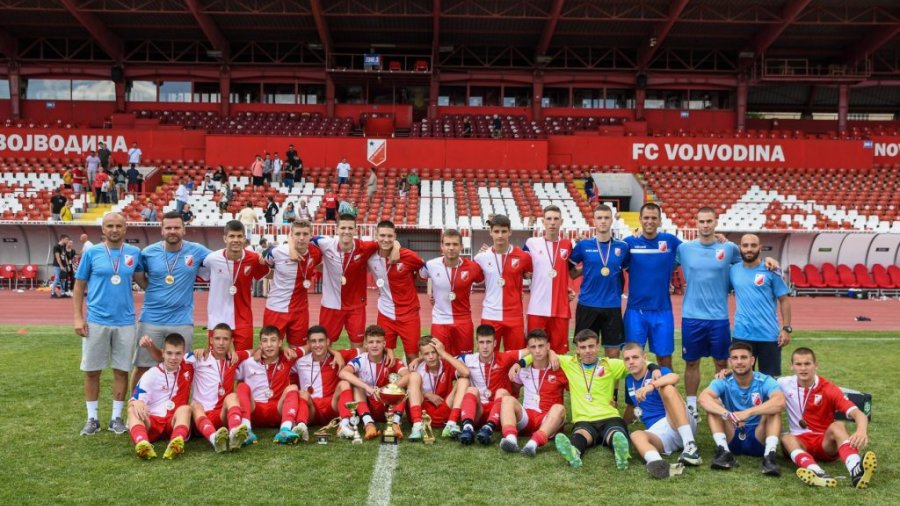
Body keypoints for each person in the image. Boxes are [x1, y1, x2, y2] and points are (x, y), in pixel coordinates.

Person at [73, 212, 143, 436]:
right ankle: (92, 418)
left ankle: (116, 418)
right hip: (96, 320)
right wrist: (77, 316)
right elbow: (79, 285)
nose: (114, 229)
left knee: (121, 370)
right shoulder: (92, 253)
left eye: (119, 226)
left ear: (125, 229)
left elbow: (144, 281)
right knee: (92, 371)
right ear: (103, 229)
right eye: (110, 226)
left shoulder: (134, 253)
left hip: (125, 321)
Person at [131, 211, 211, 387]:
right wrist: (152, 290)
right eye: (168, 228)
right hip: (151, 319)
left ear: (184, 230)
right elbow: (139, 276)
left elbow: (220, 260)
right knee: (144, 367)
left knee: (181, 366)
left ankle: (175, 406)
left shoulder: (197, 251)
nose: (172, 231)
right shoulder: (148, 253)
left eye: (176, 227)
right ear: (162, 230)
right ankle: (134, 406)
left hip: (182, 320)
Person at [779, 347, 877, 489]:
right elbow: (760, 381)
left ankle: (856, 469)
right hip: (799, 442)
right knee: (786, 437)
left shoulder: (829, 388)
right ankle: (816, 472)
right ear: (791, 366)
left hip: (824, 443)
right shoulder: (783, 383)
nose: (803, 368)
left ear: (816, 365)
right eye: (798, 364)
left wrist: (861, 431)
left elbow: (858, 413)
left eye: (807, 364)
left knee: (838, 425)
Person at [677, 207, 741, 421]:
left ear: (716, 222)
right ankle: (692, 406)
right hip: (691, 316)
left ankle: (720, 403)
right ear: (696, 223)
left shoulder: (729, 248)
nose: (705, 225)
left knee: (722, 363)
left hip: (719, 318)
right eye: (701, 221)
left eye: (709, 221)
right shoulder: (684, 249)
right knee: (692, 362)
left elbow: (746, 264)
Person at [699, 341, 784, 476]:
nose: (739, 362)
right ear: (730, 361)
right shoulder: (723, 380)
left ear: (752, 360)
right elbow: (703, 398)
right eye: (735, 358)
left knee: (774, 410)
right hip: (732, 432)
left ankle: (769, 457)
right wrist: (728, 414)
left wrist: (748, 412)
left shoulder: (765, 380)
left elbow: (780, 401)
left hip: (758, 434)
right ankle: (724, 452)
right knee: (713, 405)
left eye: (744, 357)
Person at [551, 329, 631, 470]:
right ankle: (574, 453)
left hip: (609, 416)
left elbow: (639, 363)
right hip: (584, 419)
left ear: (598, 346)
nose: (588, 351)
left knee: (615, 433)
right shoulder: (570, 364)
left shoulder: (610, 364)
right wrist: (521, 363)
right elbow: (539, 354)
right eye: (583, 347)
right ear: (577, 350)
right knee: (580, 435)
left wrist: (654, 368)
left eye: (591, 346)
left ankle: (620, 454)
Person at [312, 213, 396, 346]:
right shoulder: (325, 243)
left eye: (350, 228)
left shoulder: (365, 247)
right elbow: (302, 238)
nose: (346, 231)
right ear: (337, 229)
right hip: (331, 304)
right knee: (325, 345)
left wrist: (396, 247)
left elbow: (388, 241)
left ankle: (353, 367)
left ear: (355, 230)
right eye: (343, 228)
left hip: (356, 306)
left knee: (357, 346)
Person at [622, 343, 701, 478]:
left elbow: (674, 377)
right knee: (636, 435)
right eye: (627, 359)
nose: (631, 362)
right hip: (659, 432)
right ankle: (658, 464)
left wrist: (651, 386)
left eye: (635, 357)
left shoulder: (656, 372)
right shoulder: (629, 380)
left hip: (677, 420)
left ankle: (690, 446)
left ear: (644, 358)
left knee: (667, 388)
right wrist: (621, 425)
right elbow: (631, 407)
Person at [623, 203, 681, 368]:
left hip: (662, 310)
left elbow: (692, 250)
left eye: (653, 218)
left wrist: (719, 239)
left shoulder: (670, 241)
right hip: (635, 311)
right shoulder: (629, 243)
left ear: (660, 220)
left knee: (664, 358)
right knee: (633, 359)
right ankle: (634, 393)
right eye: (646, 218)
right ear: (640, 219)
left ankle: (665, 394)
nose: (649, 221)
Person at [569, 204, 630, 358]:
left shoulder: (623, 247)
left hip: (612, 306)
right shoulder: (583, 246)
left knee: (613, 354)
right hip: (587, 305)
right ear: (594, 221)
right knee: (584, 353)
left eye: (606, 218)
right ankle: (584, 383)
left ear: (611, 221)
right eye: (599, 218)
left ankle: (610, 384)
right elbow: (571, 273)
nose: (603, 221)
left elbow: (630, 271)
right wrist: (588, 267)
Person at [201, 220, 270, 351]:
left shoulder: (254, 259)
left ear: (244, 238)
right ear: (225, 238)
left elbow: (268, 274)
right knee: (217, 362)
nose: (236, 240)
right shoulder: (212, 259)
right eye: (232, 236)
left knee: (243, 361)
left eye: (239, 236)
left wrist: (266, 262)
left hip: (243, 319)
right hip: (217, 319)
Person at [729, 234, 792, 377]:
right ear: (740, 248)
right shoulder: (733, 270)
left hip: (768, 335)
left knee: (769, 381)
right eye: (745, 245)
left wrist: (786, 328)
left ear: (760, 248)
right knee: (741, 378)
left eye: (753, 245)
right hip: (742, 334)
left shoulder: (771, 270)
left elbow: (784, 300)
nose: (749, 249)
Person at [499, 330, 567, 457]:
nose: (537, 351)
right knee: (507, 399)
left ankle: (533, 444)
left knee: (559, 409)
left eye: (541, 346)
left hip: (548, 420)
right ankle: (511, 439)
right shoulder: (522, 369)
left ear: (548, 346)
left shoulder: (559, 369)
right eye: (533, 347)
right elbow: (514, 391)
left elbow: (575, 392)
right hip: (528, 418)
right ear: (528, 349)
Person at [457, 325, 528, 445]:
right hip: (477, 412)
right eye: (482, 342)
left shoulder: (505, 357)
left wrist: (520, 363)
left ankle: (488, 428)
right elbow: (441, 359)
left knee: (502, 392)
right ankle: (468, 428)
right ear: (477, 343)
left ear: (495, 343)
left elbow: (533, 350)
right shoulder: (468, 359)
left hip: (499, 413)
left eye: (488, 342)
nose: (485, 347)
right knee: (471, 390)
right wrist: (418, 360)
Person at [126, 333, 193, 459]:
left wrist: (203, 351)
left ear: (184, 354)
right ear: (162, 353)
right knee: (132, 410)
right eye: (169, 353)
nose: (173, 358)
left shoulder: (189, 365)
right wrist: (136, 402)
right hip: (153, 422)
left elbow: (211, 353)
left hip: (174, 421)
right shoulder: (151, 374)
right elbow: (132, 401)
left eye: (178, 353)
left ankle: (176, 443)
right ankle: (142, 444)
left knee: (186, 409)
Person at [367, 220, 425, 362]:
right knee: (383, 354)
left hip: (409, 314)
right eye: (382, 235)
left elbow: (426, 270)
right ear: (376, 235)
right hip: (385, 313)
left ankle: (412, 383)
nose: (386, 239)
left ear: (395, 236)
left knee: (412, 355)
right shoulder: (369, 255)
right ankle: (386, 383)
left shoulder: (408, 256)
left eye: (389, 236)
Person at [338, 325, 410, 440]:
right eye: (371, 342)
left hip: (386, 403)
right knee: (357, 386)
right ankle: (369, 424)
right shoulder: (361, 359)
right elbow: (343, 373)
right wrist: (367, 387)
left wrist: (389, 388)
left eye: (378, 342)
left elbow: (408, 375)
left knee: (401, 389)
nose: (375, 345)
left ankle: (395, 424)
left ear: (384, 344)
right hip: (367, 403)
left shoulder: (391, 360)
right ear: (366, 345)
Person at [474, 214, 533, 351]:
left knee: (515, 356)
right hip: (490, 314)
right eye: (496, 231)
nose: (500, 235)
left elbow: (530, 276)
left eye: (504, 231)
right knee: (488, 356)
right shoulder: (481, 257)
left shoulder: (523, 257)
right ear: (490, 232)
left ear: (510, 231)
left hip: (514, 315)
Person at [234, 326, 302, 445]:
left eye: (273, 340)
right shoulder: (248, 362)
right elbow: (230, 370)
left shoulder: (287, 358)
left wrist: (334, 353)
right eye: (265, 341)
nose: (269, 345)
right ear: (260, 344)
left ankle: (285, 430)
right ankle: (246, 430)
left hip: (278, 410)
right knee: (241, 387)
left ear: (280, 342)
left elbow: (310, 347)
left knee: (293, 388)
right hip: (255, 411)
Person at [419, 229, 483, 355]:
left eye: (455, 244)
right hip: (440, 320)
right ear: (442, 247)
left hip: (463, 320)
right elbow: (418, 277)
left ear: (461, 247)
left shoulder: (473, 267)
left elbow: (485, 280)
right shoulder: (430, 265)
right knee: (440, 358)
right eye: (447, 244)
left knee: (465, 359)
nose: (451, 248)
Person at [292, 326, 360, 440]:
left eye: (321, 340)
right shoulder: (299, 362)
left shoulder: (339, 356)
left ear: (328, 341)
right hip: (312, 409)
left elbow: (364, 350)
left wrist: (335, 353)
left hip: (332, 407)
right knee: (302, 393)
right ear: (308, 343)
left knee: (344, 384)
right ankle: (302, 427)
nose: (317, 345)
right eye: (313, 341)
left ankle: (344, 425)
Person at [262, 220, 322, 346]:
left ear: (311, 235)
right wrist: (277, 277)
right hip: (276, 309)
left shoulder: (316, 253)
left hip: (300, 311)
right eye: (298, 234)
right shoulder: (277, 252)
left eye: (305, 234)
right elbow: (263, 267)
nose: (301, 238)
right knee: (270, 351)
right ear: (291, 235)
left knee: (298, 353)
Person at [524, 205, 574, 354]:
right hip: (537, 308)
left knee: (559, 354)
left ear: (561, 222)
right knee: (534, 352)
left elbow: (570, 271)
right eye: (549, 219)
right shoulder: (531, 243)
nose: (552, 222)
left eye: (556, 219)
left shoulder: (567, 244)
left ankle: (556, 378)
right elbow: (519, 266)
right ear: (543, 221)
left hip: (560, 309)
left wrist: (566, 290)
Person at [405, 336, 470, 440]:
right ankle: (417, 426)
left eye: (433, 352)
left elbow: (466, 373)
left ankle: (451, 424)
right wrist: (427, 395)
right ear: (421, 355)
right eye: (426, 354)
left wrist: (443, 353)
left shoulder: (447, 364)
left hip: (444, 409)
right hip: (423, 412)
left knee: (464, 380)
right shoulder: (417, 367)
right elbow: (406, 389)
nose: (431, 356)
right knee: (413, 376)